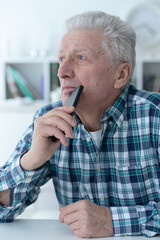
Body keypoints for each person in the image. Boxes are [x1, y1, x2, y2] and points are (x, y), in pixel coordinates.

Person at [0, 11, 160, 238]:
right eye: (62, 58)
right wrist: (31, 160)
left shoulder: (155, 116)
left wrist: (112, 221)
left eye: (80, 58)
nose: (61, 72)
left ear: (121, 74)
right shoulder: (48, 119)